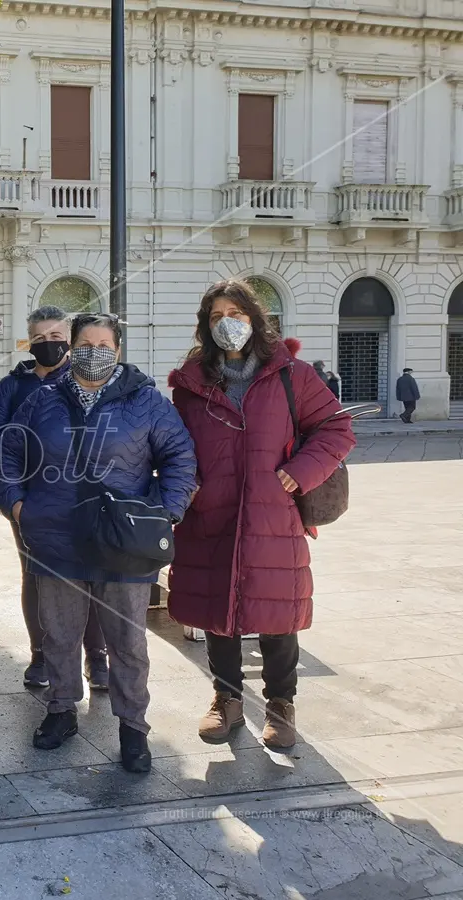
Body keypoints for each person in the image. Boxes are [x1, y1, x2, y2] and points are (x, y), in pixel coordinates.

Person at [0, 313, 197, 773]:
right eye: (85, 343)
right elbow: (5, 449)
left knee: (127, 641)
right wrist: (16, 503)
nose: (94, 351)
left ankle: (133, 728)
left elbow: (180, 456)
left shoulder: (147, 402)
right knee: (59, 634)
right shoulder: (43, 399)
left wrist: (165, 513)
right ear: (72, 348)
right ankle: (61, 710)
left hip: (123, 540)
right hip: (56, 536)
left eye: (104, 344)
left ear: (118, 351)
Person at [168, 279, 355, 752]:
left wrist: (299, 472)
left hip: (273, 515)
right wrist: (185, 487)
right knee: (217, 614)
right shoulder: (191, 383)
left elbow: (336, 427)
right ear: (205, 326)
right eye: (215, 316)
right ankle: (226, 698)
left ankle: (280, 705)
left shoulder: (291, 374)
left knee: (277, 616)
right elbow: (176, 446)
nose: (226, 323)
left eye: (236, 313)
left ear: (255, 318)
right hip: (210, 514)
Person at [0, 306, 109, 693]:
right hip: (33, 501)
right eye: (40, 339)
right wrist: (12, 498)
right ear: (29, 341)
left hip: (86, 497)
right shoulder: (13, 386)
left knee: (92, 575)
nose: (49, 345)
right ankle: (41, 655)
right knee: (37, 577)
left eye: (56, 338)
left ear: (69, 340)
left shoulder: (90, 379)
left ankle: (96, 656)